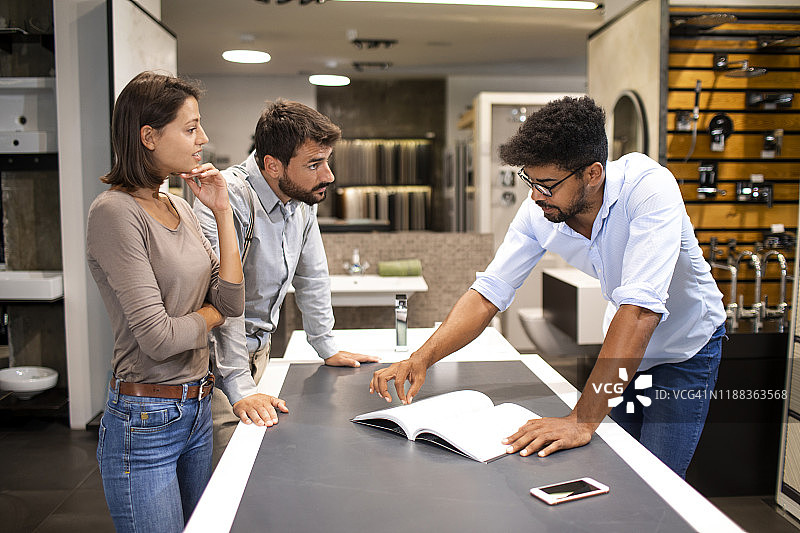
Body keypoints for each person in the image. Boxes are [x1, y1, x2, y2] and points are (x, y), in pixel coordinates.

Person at [369, 96, 726, 479]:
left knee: (659, 482)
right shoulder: (540, 211)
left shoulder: (649, 190)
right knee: (617, 470)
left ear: (592, 174)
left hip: (685, 350)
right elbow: (489, 292)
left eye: (547, 184)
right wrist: (422, 357)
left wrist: (582, 420)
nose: (536, 195)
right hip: (622, 352)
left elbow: (639, 313)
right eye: (530, 181)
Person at [86, 71, 244, 532]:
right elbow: (158, 338)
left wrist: (221, 210)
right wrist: (213, 313)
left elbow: (232, 296)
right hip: (145, 421)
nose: (204, 139)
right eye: (191, 127)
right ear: (149, 136)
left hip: (196, 410)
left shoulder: (177, 204)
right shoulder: (114, 213)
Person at [194, 100, 378, 431]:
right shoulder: (225, 196)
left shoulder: (302, 198)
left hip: (258, 355)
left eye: (327, 161)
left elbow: (312, 275)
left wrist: (325, 344)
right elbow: (220, 300)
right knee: (228, 471)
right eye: (314, 164)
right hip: (215, 366)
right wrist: (239, 385)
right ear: (273, 165)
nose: (328, 175)